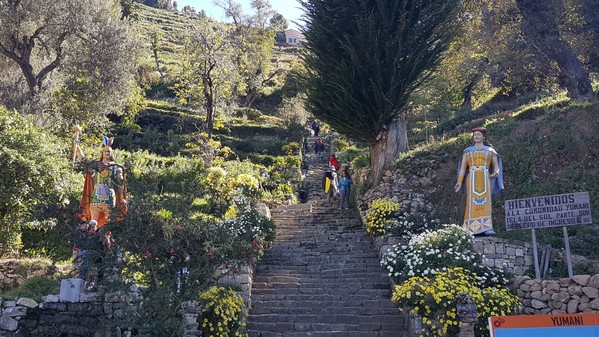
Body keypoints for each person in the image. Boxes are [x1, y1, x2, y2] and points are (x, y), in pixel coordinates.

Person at [455, 127, 503, 236]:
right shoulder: (468, 151)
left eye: (478, 135)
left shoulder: (490, 151)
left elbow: (496, 166)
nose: (476, 136)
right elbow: (463, 168)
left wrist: (496, 173)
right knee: (471, 202)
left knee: (486, 201)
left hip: (486, 177)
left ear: (484, 137)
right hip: (471, 178)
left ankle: (487, 227)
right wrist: (459, 181)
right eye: (475, 135)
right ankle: (469, 228)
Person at [79, 136, 128, 228]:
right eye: (105, 151)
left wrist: (121, 198)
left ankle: (106, 237)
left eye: (109, 151)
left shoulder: (116, 167)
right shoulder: (95, 165)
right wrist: (77, 148)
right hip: (95, 195)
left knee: (108, 221)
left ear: (112, 153)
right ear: (102, 153)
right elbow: (84, 161)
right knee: (93, 220)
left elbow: (120, 184)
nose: (107, 153)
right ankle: (93, 234)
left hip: (110, 195)